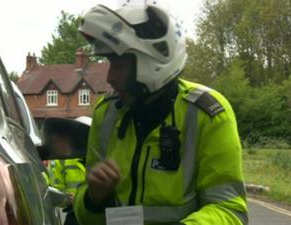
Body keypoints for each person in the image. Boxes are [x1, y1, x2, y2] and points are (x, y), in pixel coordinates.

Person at [74, 1, 248, 225]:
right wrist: (94, 198)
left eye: (118, 66)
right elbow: (87, 219)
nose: (110, 78)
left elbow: (229, 210)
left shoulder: (207, 114)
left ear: (150, 62)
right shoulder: (106, 114)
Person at [48, 116, 91, 225]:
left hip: (98, 214)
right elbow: (55, 190)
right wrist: (67, 199)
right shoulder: (62, 160)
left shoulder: (102, 156)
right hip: (74, 214)